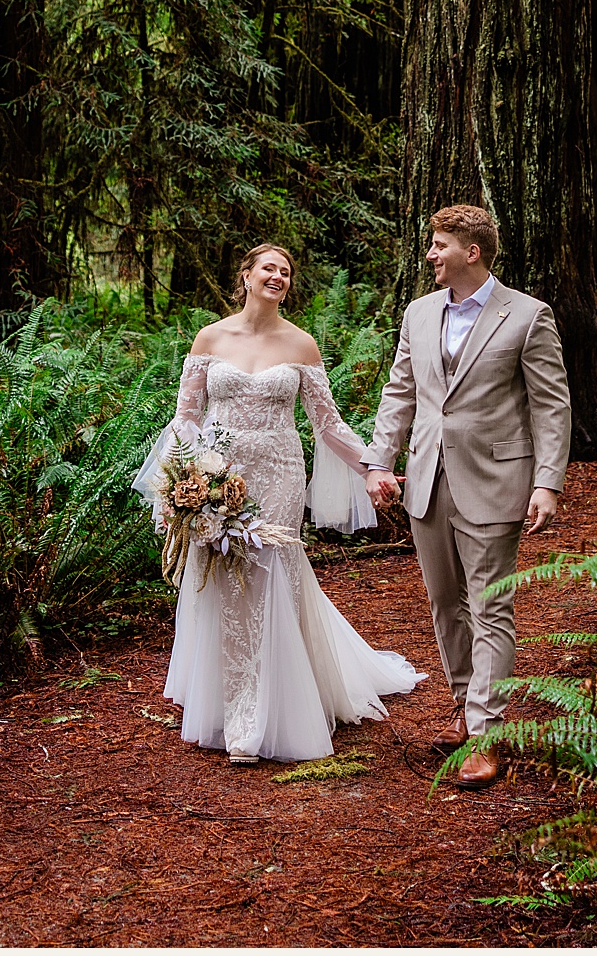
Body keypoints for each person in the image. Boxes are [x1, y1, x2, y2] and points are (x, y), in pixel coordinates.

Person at [133, 242, 424, 764]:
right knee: (219, 575)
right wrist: (186, 475)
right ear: (245, 275)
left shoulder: (301, 345)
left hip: (279, 476)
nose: (278, 276)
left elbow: (328, 425)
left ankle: (264, 710)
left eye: (286, 272)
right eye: (268, 267)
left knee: (270, 572)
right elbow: (187, 417)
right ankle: (227, 703)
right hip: (218, 475)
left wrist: (372, 466)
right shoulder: (210, 337)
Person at [361, 204, 570, 789]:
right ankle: (464, 706)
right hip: (426, 479)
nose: (430, 254)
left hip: (496, 480)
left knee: (490, 607)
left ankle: (488, 733)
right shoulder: (419, 314)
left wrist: (547, 481)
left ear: (470, 252)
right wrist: (380, 460)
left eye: (438, 245)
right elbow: (400, 391)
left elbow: (551, 405)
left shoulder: (528, 316)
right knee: (444, 603)